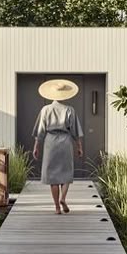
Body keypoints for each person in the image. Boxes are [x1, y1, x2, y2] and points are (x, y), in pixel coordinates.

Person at [32, 79, 84, 215]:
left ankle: (56, 207)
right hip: (65, 142)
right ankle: (63, 198)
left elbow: (40, 131)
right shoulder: (70, 110)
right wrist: (79, 146)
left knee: (52, 176)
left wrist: (36, 146)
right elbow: (75, 131)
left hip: (50, 143)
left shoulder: (45, 110)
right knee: (66, 173)